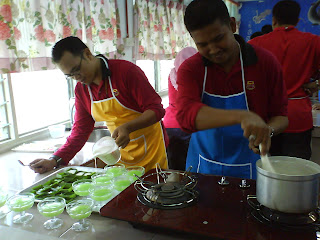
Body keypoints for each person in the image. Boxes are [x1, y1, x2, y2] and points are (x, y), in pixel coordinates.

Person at [176, 0, 288, 179]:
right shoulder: (191, 69)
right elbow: (185, 116)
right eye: (203, 44)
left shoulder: (265, 63)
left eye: (218, 38)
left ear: (232, 25)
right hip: (202, 167)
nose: (213, 50)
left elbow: (281, 116)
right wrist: (242, 116)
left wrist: (267, 130)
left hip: (249, 166)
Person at [30, 36, 168, 173]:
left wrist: (128, 127)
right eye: (70, 75)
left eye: (77, 69)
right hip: (119, 154)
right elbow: (80, 131)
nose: (77, 77)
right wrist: (55, 159)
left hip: (152, 150)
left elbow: (156, 109)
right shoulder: (82, 90)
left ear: (87, 54)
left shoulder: (126, 72)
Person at [249, 0, 320, 160]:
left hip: (267, 119)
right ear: (297, 20)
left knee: (268, 171)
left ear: (273, 20)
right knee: (296, 172)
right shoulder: (313, 41)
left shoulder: (255, 44)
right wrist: (315, 84)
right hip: (298, 116)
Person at [163, 47, 197, 171]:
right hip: (187, 124)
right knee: (190, 164)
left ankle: (175, 189)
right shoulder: (196, 76)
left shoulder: (172, 74)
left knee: (174, 164)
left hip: (170, 124)